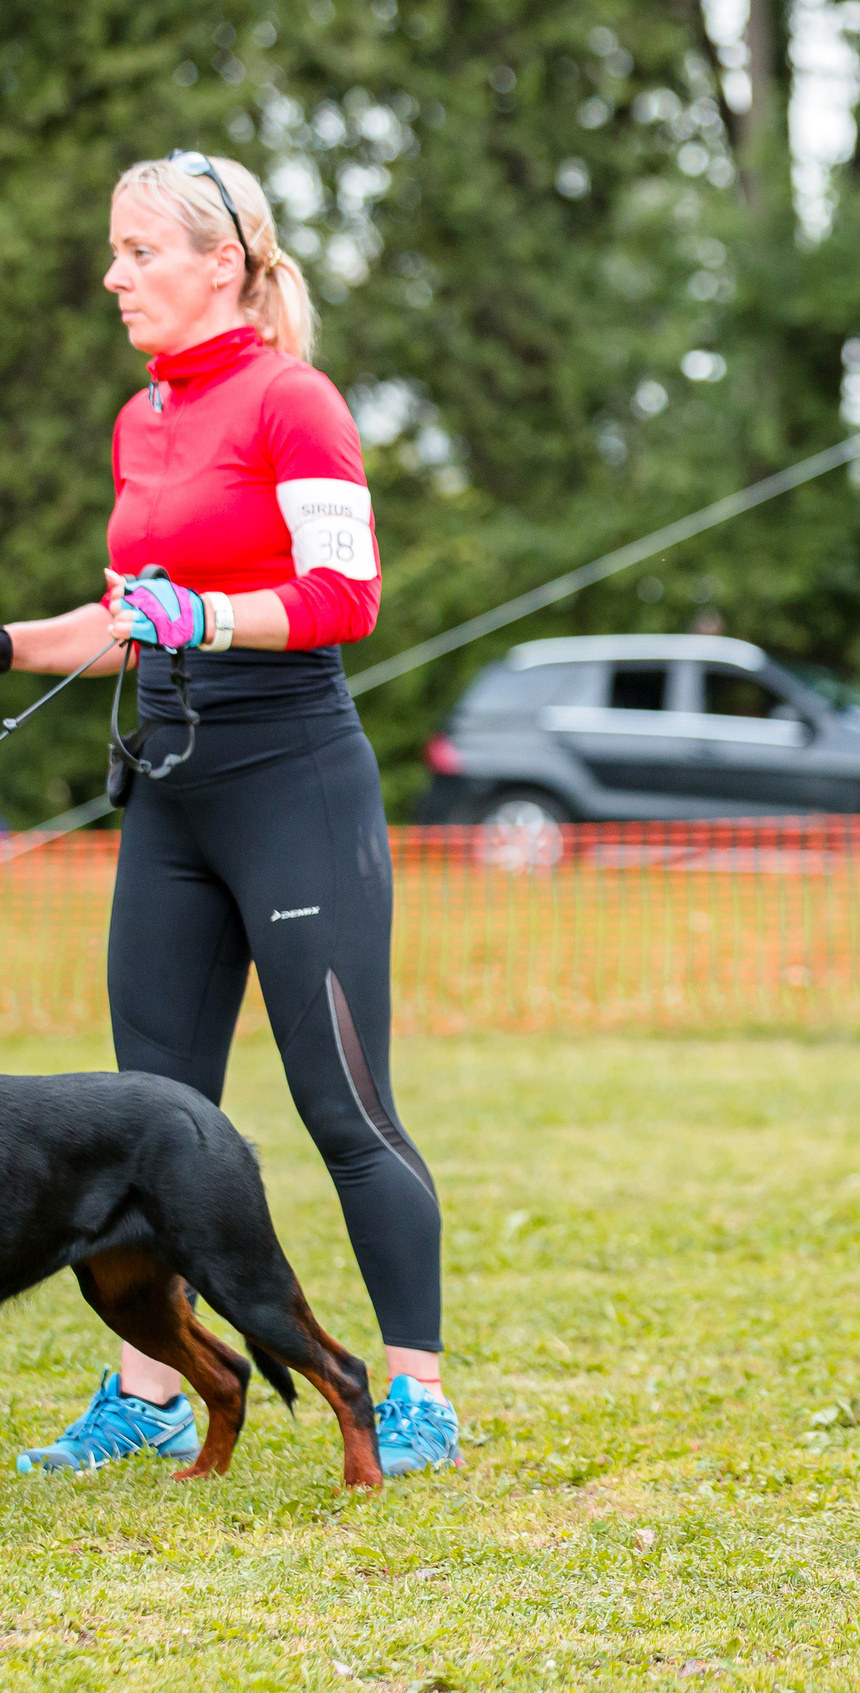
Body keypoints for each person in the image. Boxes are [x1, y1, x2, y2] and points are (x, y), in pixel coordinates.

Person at [5, 153, 459, 1478]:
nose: (113, 276)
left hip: (293, 780)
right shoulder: (142, 420)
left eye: (140, 250)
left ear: (225, 261)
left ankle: (416, 1396)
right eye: (113, 250)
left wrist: (201, 614)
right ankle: (149, 1394)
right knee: (151, 1113)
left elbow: (344, 596)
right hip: (170, 793)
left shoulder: (295, 401)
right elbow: (114, 623)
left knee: (346, 1110)